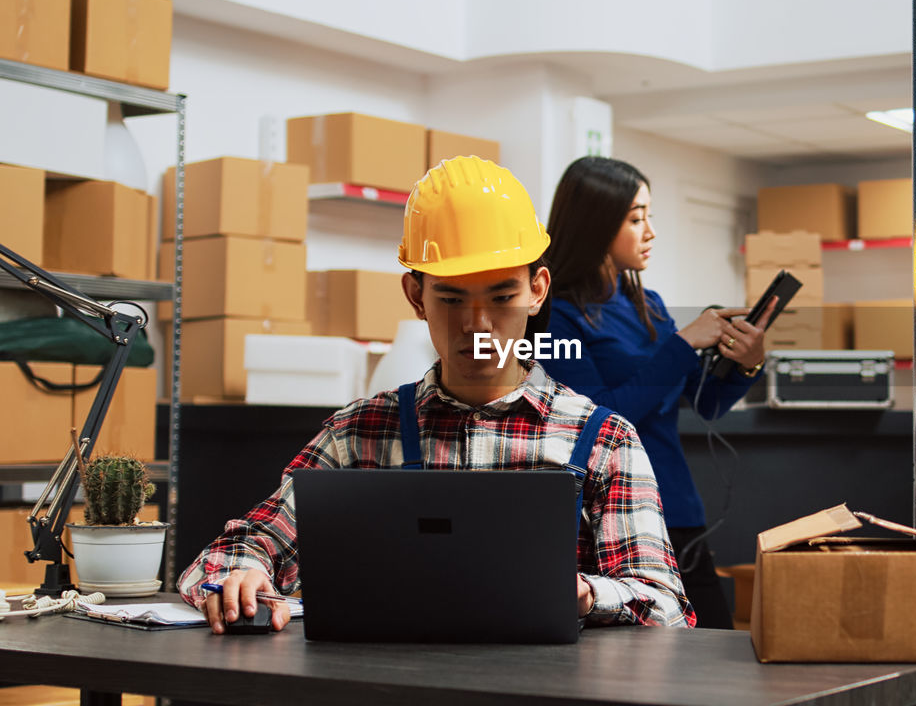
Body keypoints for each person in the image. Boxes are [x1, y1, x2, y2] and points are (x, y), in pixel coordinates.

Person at [178, 156, 694, 632]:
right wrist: (241, 573)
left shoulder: (604, 439)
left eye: (501, 296)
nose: (477, 323)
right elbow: (245, 543)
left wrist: (585, 593)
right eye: (450, 297)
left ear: (537, 291)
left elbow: (664, 602)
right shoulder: (359, 434)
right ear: (416, 296)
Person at [537, 156, 773, 629]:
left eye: (649, 215)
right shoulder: (553, 316)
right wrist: (683, 344)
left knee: (714, 652)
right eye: (635, 217)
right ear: (596, 224)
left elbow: (704, 403)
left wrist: (748, 363)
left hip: (676, 505)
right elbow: (599, 421)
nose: (650, 231)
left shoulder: (650, 305)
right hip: (606, 515)